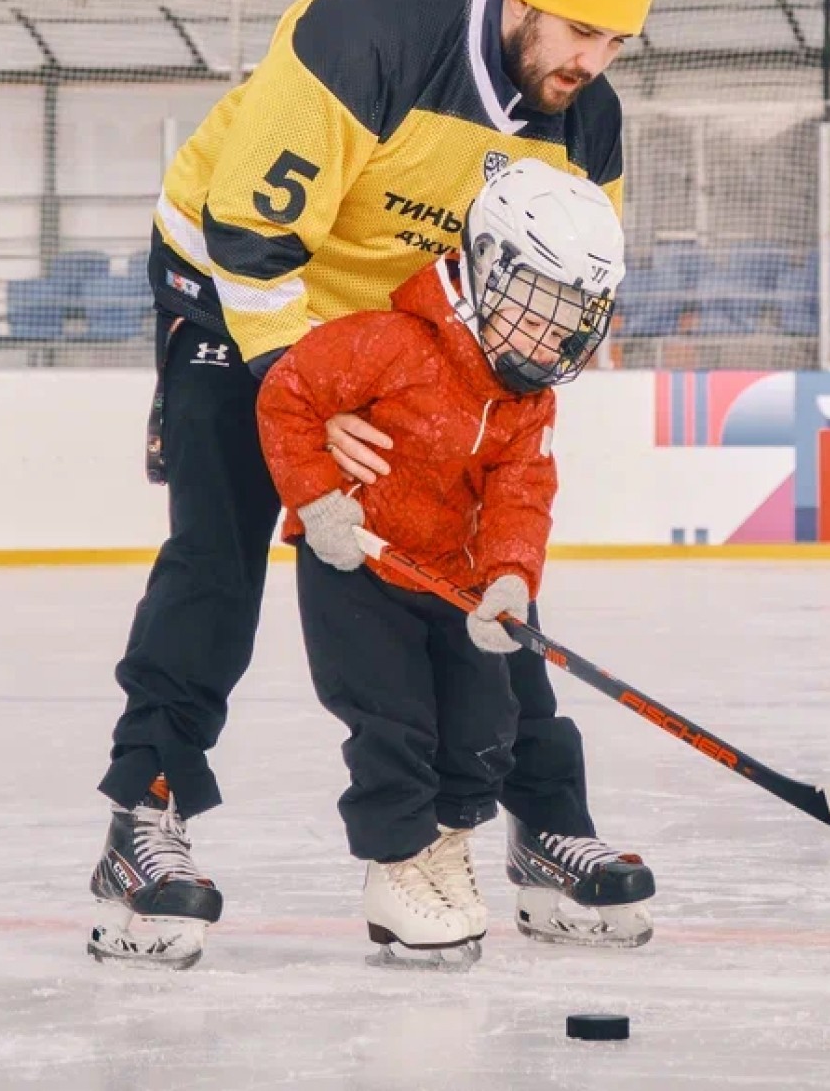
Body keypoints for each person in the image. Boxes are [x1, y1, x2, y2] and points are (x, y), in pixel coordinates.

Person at [89, 0, 660, 968]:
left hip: (401, 327)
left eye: (619, 39)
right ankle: (142, 817)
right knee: (223, 542)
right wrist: (307, 401)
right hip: (232, 282)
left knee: (472, 564)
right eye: (583, 30)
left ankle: (543, 821)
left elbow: (558, 284)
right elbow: (251, 241)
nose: (596, 59)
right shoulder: (364, 37)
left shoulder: (588, 119)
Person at [256, 160, 638, 963]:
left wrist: (509, 580)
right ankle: (396, 869)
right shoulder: (390, 342)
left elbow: (522, 495)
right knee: (392, 725)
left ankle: (447, 848)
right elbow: (288, 393)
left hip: (455, 583)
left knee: (484, 727)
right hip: (358, 569)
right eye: (541, 307)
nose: (552, 336)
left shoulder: (527, 401)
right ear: (489, 272)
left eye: (574, 316)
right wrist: (319, 500)